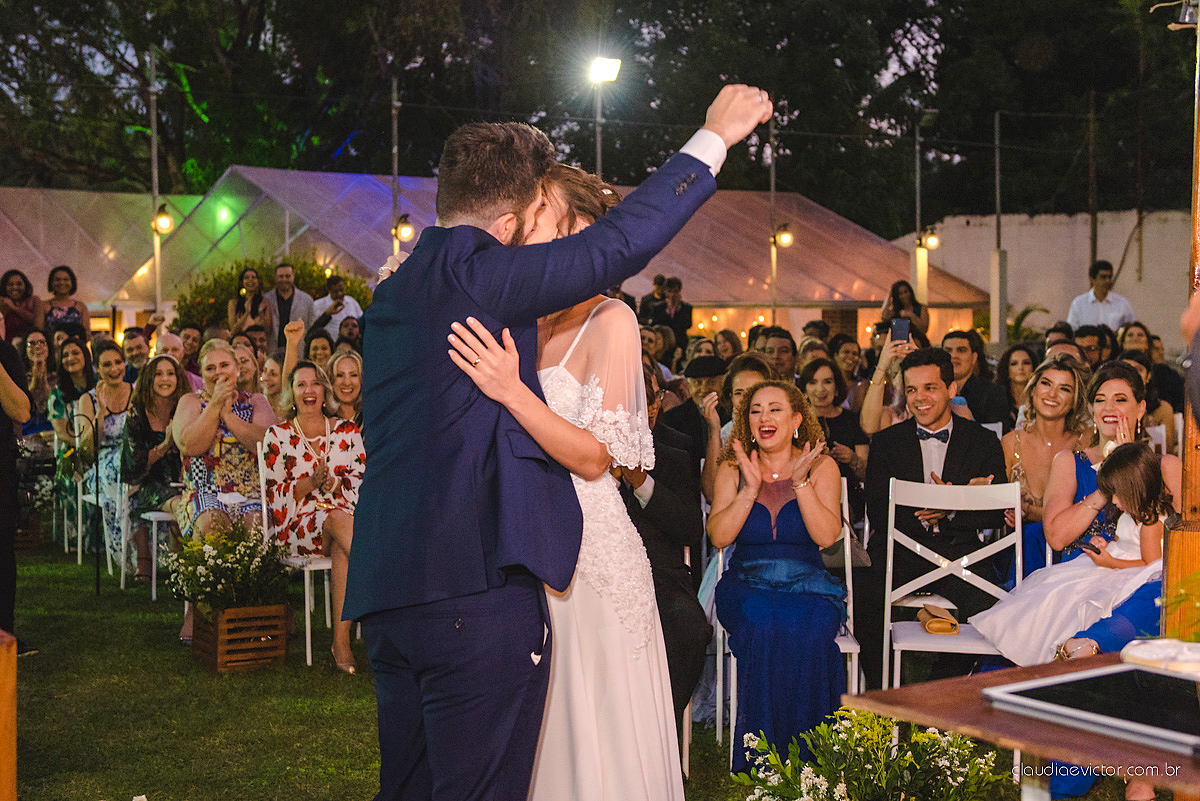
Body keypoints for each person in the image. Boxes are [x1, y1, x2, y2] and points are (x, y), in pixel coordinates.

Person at [347, 85, 771, 801]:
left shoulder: (392, 295)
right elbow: (618, 243)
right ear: (511, 224)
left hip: (389, 594)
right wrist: (713, 138)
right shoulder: (483, 277)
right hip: (470, 599)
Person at [444, 164, 691, 801]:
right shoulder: (524, 316)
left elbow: (594, 458)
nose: (525, 228)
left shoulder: (612, 320)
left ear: (579, 228)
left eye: (539, 212)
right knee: (539, 724)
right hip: (523, 541)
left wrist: (512, 392)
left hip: (591, 553)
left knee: (598, 727)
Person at [708, 379, 845, 770]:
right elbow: (719, 537)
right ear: (746, 422)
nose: (764, 417)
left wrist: (800, 483)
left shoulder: (822, 467)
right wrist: (748, 490)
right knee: (764, 621)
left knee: (808, 625)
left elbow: (826, 536)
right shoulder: (733, 469)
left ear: (796, 419)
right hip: (747, 584)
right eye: (755, 410)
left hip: (809, 585)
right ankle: (764, 760)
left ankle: (811, 760)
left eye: (775, 409)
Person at [861, 347, 1007, 688]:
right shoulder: (886, 443)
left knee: (995, 610)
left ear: (951, 390)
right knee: (865, 598)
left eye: (930, 388)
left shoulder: (982, 441)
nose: (919, 398)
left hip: (962, 553)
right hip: (898, 554)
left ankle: (939, 692)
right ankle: (882, 697)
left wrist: (952, 508)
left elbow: (997, 508)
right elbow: (878, 511)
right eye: (911, 390)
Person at [617, 365, 710, 738]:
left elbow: (691, 529)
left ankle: (658, 738)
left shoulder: (673, 453)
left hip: (662, 576)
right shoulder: (583, 449)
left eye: (652, 399)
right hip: (603, 574)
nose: (648, 409)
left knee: (689, 630)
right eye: (635, 400)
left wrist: (641, 482)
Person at [263, 361, 363, 672]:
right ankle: (382, 577)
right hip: (299, 526)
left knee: (341, 546)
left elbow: (362, 479)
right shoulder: (277, 436)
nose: (309, 390)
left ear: (324, 390)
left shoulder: (347, 431)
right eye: (301, 384)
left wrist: (334, 483)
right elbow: (272, 494)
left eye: (315, 384)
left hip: (343, 523)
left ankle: (341, 644)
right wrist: (311, 483)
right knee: (335, 518)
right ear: (291, 394)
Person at [172, 339, 274, 540]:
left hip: (249, 490)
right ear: (202, 374)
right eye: (210, 368)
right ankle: (209, 572)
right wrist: (216, 403)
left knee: (255, 525)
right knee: (212, 524)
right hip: (203, 489)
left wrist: (228, 417)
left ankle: (253, 573)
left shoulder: (255, 401)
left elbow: (266, 444)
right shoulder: (190, 402)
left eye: (224, 365)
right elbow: (190, 445)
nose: (218, 372)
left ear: (237, 369)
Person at [999, 354, 1091, 578]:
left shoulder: (1087, 442)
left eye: (1064, 389)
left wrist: (1031, 512)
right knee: (1030, 536)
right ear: (1033, 390)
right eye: (1046, 384)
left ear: (1074, 400)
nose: (1052, 394)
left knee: (1034, 533)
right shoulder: (1011, 442)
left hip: (1075, 553)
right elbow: (999, 504)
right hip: (1019, 553)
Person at [120, 355, 186, 578]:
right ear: (149, 379)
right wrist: (165, 444)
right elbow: (135, 464)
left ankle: (182, 567)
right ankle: (178, 567)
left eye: (170, 373)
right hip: (150, 483)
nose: (165, 379)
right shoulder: (137, 413)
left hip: (186, 479)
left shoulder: (186, 408)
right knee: (181, 505)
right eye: (158, 374)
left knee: (191, 499)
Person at [78, 340, 132, 567]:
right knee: (114, 476)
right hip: (101, 463)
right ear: (97, 369)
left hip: (131, 458)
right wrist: (101, 412)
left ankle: (145, 551)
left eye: (118, 362)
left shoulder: (136, 392)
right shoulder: (88, 399)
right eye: (107, 365)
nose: (114, 369)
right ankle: (121, 552)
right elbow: (87, 450)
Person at [799, 357, 868, 523]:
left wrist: (853, 459)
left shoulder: (852, 420)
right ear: (804, 389)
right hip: (803, 493)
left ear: (837, 388)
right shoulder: (796, 422)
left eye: (827, 382)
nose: (820, 389)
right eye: (813, 382)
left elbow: (866, 475)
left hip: (847, 496)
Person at [0, 333, 32, 651]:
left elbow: (22, 412)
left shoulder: (6, 354)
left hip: (0, 467)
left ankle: (4, 631)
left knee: (1, 549)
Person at [660, 354, 725, 502]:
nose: (704, 389)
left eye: (711, 382)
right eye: (697, 383)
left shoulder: (731, 414)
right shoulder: (672, 419)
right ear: (688, 386)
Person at [942, 329, 1008, 427]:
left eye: (961, 350)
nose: (954, 356)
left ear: (974, 358)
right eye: (948, 351)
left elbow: (997, 432)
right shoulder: (933, 391)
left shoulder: (993, 393)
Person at [1119, 350, 1176, 455]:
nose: (1131, 375)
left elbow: (1166, 450)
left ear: (1148, 376)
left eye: (1138, 370)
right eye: (1125, 370)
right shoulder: (1110, 408)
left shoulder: (1162, 408)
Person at [1067, 259, 1135, 331]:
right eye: (1103, 277)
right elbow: (1072, 330)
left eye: (1109, 277)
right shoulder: (1079, 303)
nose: (1107, 281)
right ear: (1092, 279)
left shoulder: (1122, 303)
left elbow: (1130, 329)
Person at [263, 262, 315, 351]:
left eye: (287, 276)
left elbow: (311, 326)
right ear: (275, 278)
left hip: (298, 351)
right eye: (280, 276)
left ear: (293, 276)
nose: (284, 279)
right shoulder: (266, 299)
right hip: (273, 350)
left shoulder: (307, 300)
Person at [995, 343, 1038, 431]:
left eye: (1026, 363)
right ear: (1006, 368)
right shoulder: (995, 399)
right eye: (1014, 363)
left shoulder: (1042, 398)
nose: (1020, 367)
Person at [647, 276, 693, 351]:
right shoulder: (658, 307)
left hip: (680, 344)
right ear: (665, 291)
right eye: (669, 291)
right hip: (663, 344)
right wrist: (668, 311)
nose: (672, 294)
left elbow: (688, 324)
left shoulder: (686, 307)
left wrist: (678, 310)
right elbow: (656, 324)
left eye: (675, 291)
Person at [312, 274, 364, 339]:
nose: (340, 294)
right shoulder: (318, 305)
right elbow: (314, 327)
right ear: (329, 290)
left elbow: (361, 321)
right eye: (335, 291)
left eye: (341, 290)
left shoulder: (351, 302)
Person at [42, 265, 90, 335]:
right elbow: (39, 332)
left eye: (66, 280)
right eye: (57, 280)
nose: (62, 283)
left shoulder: (81, 306)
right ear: (51, 283)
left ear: (72, 282)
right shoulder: (43, 306)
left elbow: (87, 333)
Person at [0, 269, 43, 344]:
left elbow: (38, 325)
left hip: (31, 345)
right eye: (10, 285)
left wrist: (13, 307)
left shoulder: (34, 300)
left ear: (25, 285)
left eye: (19, 284)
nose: (15, 287)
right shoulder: (2, 303)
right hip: (8, 347)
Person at [227, 267, 272, 334]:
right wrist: (246, 313)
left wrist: (261, 314)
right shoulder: (233, 303)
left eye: (253, 277)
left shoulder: (264, 302)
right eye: (246, 278)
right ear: (242, 282)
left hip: (259, 342)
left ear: (258, 282)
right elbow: (233, 331)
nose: (250, 280)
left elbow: (268, 331)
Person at [327, 349, 362, 426]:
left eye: (353, 375)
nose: (347, 382)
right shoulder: (322, 421)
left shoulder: (373, 418)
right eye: (340, 375)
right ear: (331, 380)